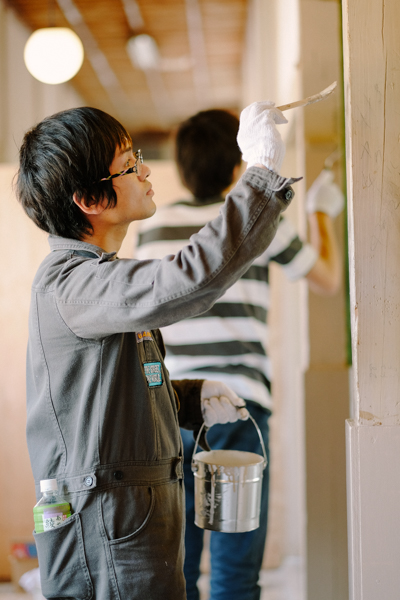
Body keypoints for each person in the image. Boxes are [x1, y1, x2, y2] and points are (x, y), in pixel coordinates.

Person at [16, 104, 299, 600]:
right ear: (88, 199)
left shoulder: (100, 279)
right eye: (129, 165)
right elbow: (191, 278)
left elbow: (118, 397)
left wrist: (189, 397)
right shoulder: (73, 284)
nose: (146, 171)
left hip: (133, 521)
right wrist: (260, 176)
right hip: (107, 528)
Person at [135, 108, 344, 600]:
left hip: (169, 411)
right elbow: (329, 279)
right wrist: (318, 212)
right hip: (237, 409)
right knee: (234, 575)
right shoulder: (255, 220)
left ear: (182, 169)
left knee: (174, 573)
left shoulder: (153, 229)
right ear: (237, 166)